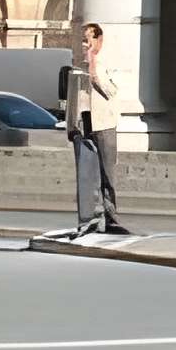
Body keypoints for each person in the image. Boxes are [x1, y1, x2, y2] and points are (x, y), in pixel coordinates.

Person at [66, 22, 126, 235]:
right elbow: (72, 98)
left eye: (89, 39)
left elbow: (110, 92)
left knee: (107, 175)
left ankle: (111, 218)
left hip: (105, 124)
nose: (85, 44)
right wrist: (70, 127)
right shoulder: (77, 67)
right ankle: (91, 220)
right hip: (85, 126)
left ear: (99, 41)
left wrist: (94, 68)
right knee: (89, 177)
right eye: (83, 39)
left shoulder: (104, 65)